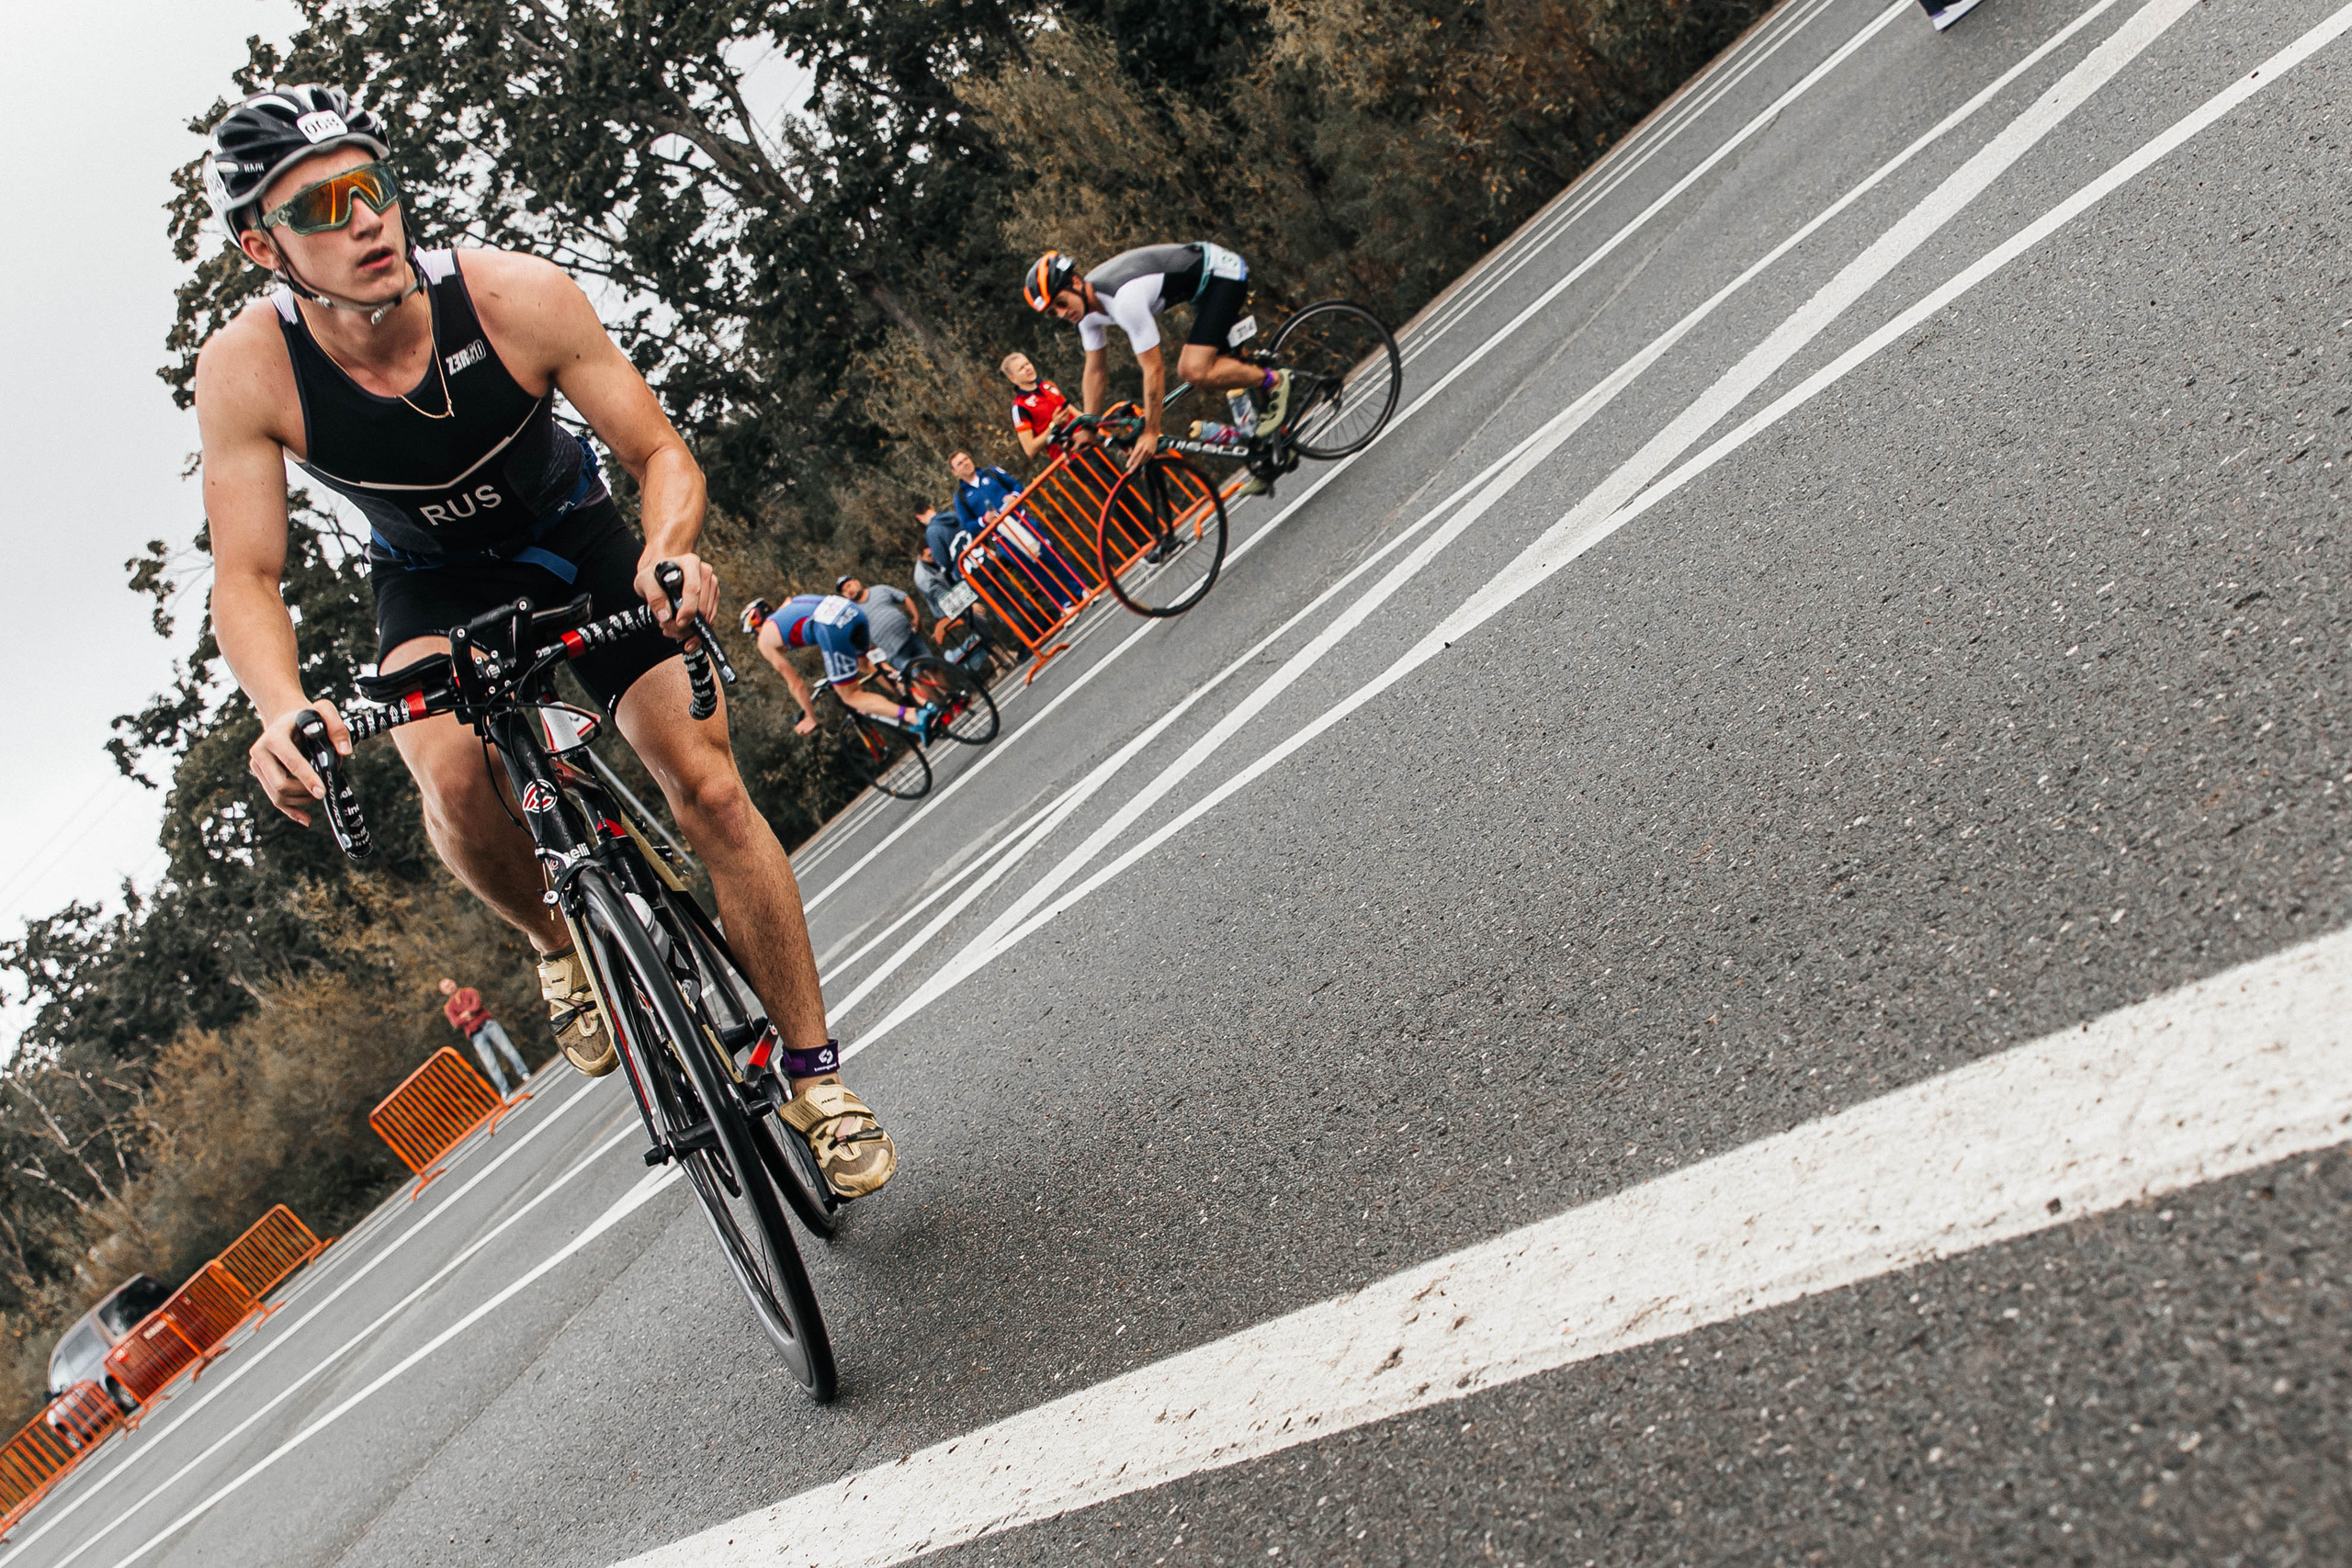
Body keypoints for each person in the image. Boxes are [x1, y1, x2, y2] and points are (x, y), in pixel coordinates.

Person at [196, 85, 894, 1199]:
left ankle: (816, 1077)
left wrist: (668, 551)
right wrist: (280, 706)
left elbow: (662, 454)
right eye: (323, 205)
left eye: (372, 185)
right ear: (261, 246)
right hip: (429, 587)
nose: (366, 219)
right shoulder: (247, 371)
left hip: (579, 542)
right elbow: (248, 575)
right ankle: (555, 944)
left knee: (708, 788)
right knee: (452, 771)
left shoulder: (514, 295)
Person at [1021, 245, 1289, 492]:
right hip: (1199, 287)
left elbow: (1154, 369)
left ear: (1077, 283)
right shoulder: (1086, 314)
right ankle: (1276, 449)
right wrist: (1089, 427)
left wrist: (1151, 432)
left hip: (1221, 275)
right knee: (1228, 367)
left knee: (1193, 370)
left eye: (1061, 303)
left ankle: (1274, 380)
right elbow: (1095, 370)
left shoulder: (1122, 299)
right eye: (1053, 312)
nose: (1062, 313)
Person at [742, 595, 936, 739]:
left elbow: (796, 685)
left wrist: (811, 717)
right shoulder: (790, 604)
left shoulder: (764, 640)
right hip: (851, 611)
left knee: (850, 695)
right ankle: (923, 700)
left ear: (755, 625)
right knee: (866, 664)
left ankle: (913, 716)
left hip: (830, 628)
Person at [949, 452, 1086, 610]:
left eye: (966, 458)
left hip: (1022, 523)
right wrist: (984, 520)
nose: (966, 463)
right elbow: (967, 525)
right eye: (960, 463)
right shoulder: (961, 497)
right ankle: (1064, 603)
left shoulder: (990, 472)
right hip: (1003, 537)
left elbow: (1016, 485)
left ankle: (1081, 588)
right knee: (1034, 571)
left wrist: (1014, 496)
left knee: (1052, 556)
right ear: (955, 472)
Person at [439, 976, 529, 1097]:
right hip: (475, 1034)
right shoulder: (449, 1007)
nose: (450, 986)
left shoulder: (469, 991)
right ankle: (504, 1089)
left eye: (450, 983)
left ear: (454, 982)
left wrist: (467, 1013)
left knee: (508, 1049)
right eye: (446, 987)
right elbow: (455, 1022)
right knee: (490, 1063)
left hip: (488, 1024)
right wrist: (466, 1015)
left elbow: (476, 1005)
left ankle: (523, 1072)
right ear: (444, 992)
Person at [837, 574, 929, 678]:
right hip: (893, 652)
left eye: (849, 586)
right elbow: (854, 635)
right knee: (917, 678)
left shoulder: (880, 589)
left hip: (911, 637)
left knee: (933, 668)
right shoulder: (851, 613)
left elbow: (904, 597)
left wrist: (916, 616)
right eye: (844, 591)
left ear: (857, 582)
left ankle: (948, 692)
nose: (848, 591)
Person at [1001, 351, 1073, 459]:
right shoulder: (1019, 407)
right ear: (1013, 378)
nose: (1027, 368)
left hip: (1087, 440)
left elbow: (1072, 411)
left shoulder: (1048, 385)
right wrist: (1054, 426)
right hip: (1069, 456)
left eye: (1028, 363)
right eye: (1021, 368)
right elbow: (1029, 449)